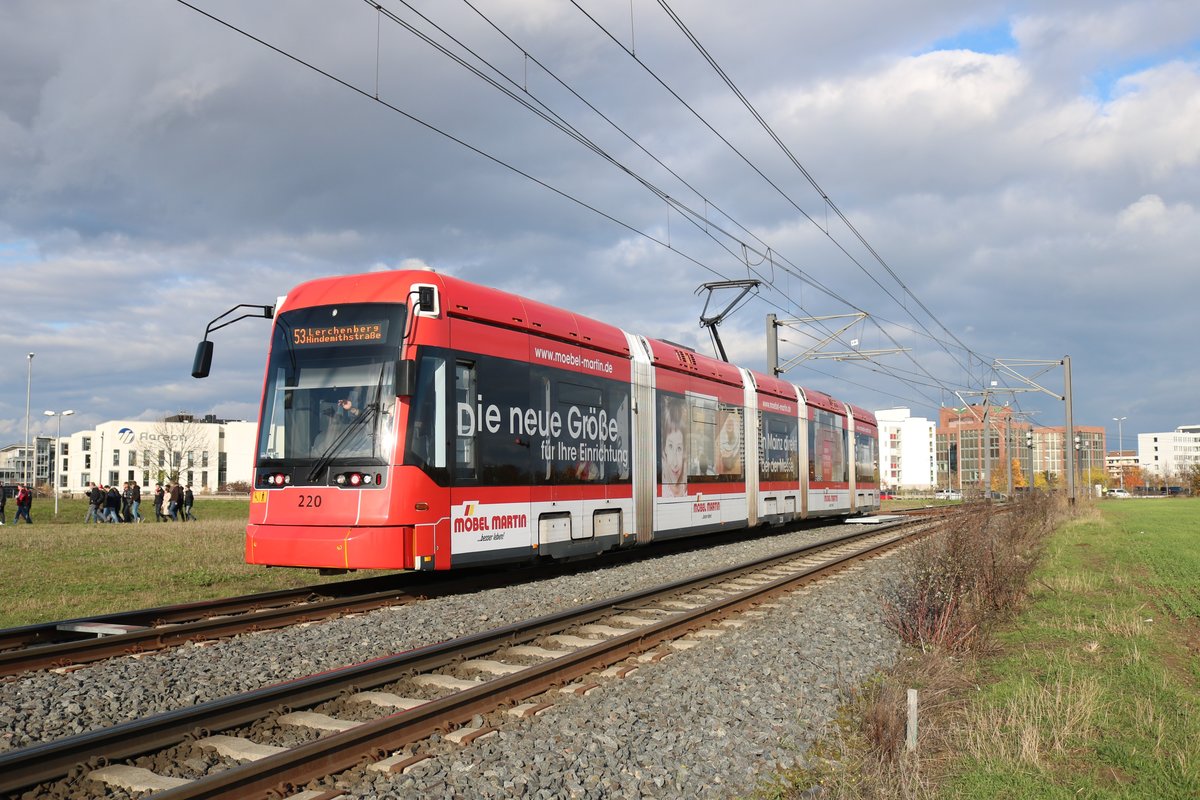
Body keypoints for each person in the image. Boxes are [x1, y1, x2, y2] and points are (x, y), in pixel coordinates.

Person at [659, 396, 688, 498]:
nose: (675, 463)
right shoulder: (662, 491)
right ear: (664, 449)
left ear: (685, 452)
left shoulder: (687, 489)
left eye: (679, 448)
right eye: (670, 446)